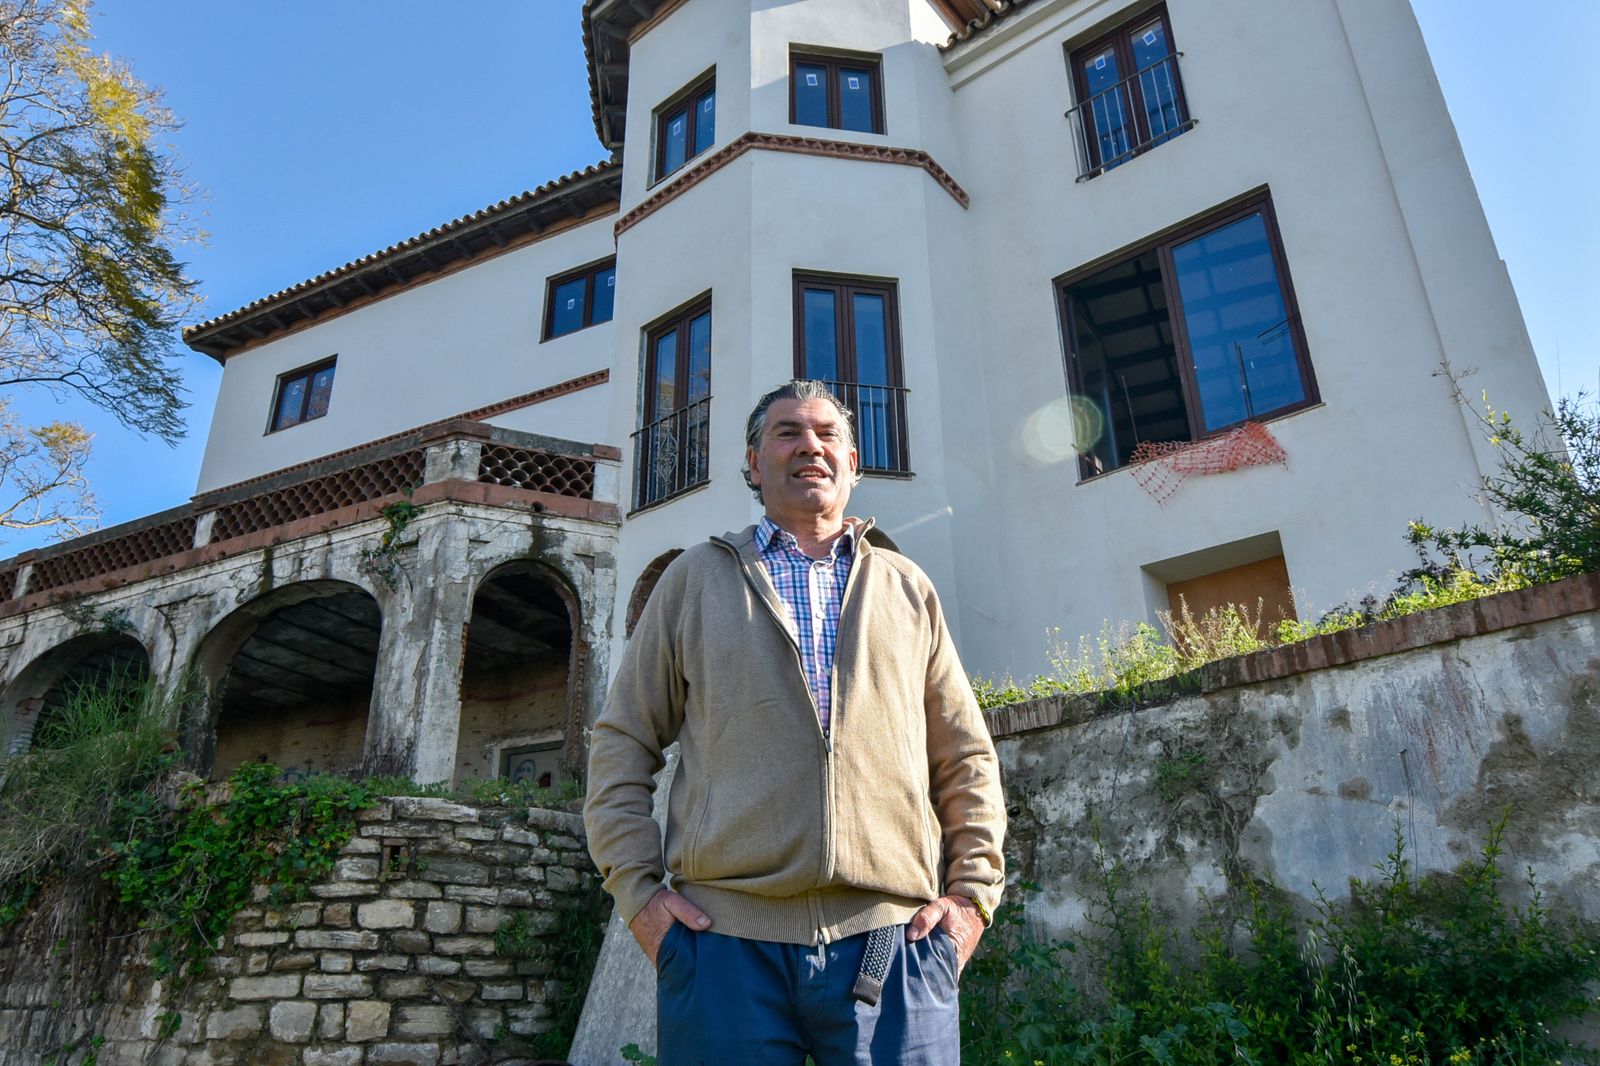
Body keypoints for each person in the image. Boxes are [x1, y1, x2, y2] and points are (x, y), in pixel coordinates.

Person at [584, 380, 1005, 1065]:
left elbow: (965, 756)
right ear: (754, 464)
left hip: (893, 944)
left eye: (827, 434)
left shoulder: (907, 587)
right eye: (787, 433)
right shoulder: (694, 580)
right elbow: (622, 742)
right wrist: (641, 898)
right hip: (724, 947)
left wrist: (970, 903)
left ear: (852, 463)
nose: (810, 445)